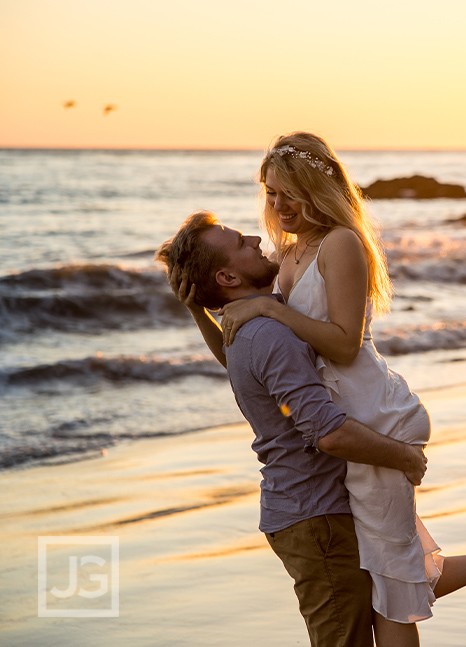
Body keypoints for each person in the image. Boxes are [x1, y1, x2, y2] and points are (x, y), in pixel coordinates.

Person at [170, 133, 466, 646]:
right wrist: (199, 306)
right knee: (391, 571)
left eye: (285, 192)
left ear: (312, 188)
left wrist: (269, 307)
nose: (273, 206)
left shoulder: (340, 243)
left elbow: (344, 346)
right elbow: (249, 360)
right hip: (346, 420)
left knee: (392, 577)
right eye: (268, 192)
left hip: (371, 415)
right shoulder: (289, 252)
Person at [156, 212, 427, 647]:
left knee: (386, 602)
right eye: (238, 241)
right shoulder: (266, 334)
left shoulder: (251, 328)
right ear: (227, 275)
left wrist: (197, 310)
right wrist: (406, 457)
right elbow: (328, 433)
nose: (252, 236)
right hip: (314, 516)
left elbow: (245, 367)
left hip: (307, 510)